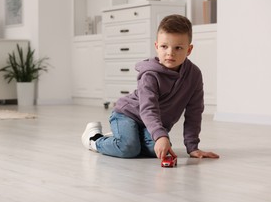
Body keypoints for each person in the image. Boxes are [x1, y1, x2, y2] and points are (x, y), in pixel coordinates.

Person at [81, 14, 219, 160]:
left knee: (158, 151)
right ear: (156, 46)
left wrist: (193, 147)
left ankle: (127, 136)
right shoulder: (150, 75)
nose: (170, 53)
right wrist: (160, 136)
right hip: (128, 114)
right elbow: (148, 108)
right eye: (164, 46)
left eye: (178, 47)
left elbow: (194, 112)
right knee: (128, 149)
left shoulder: (194, 75)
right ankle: (94, 139)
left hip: (151, 124)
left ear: (189, 50)